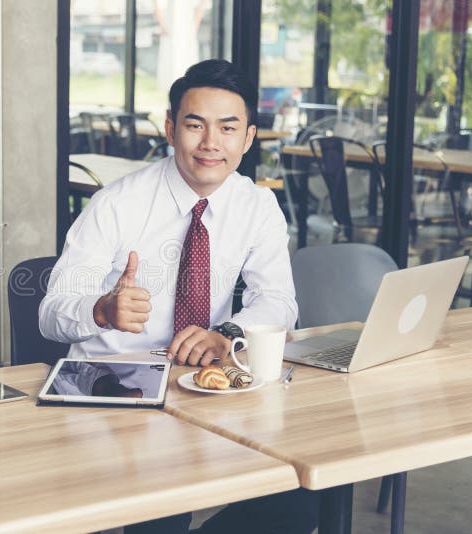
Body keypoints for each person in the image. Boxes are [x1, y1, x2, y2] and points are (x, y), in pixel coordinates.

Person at [40, 59, 316, 533]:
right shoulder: (116, 204)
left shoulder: (257, 206)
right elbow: (51, 314)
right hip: (115, 387)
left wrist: (226, 334)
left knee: (308, 490)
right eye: (195, 125)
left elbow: (280, 304)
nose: (211, 143)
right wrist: (100, 310)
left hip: (204, 388)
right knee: (163, 503)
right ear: (171, 129)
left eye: (228, 128)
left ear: (249, 138)